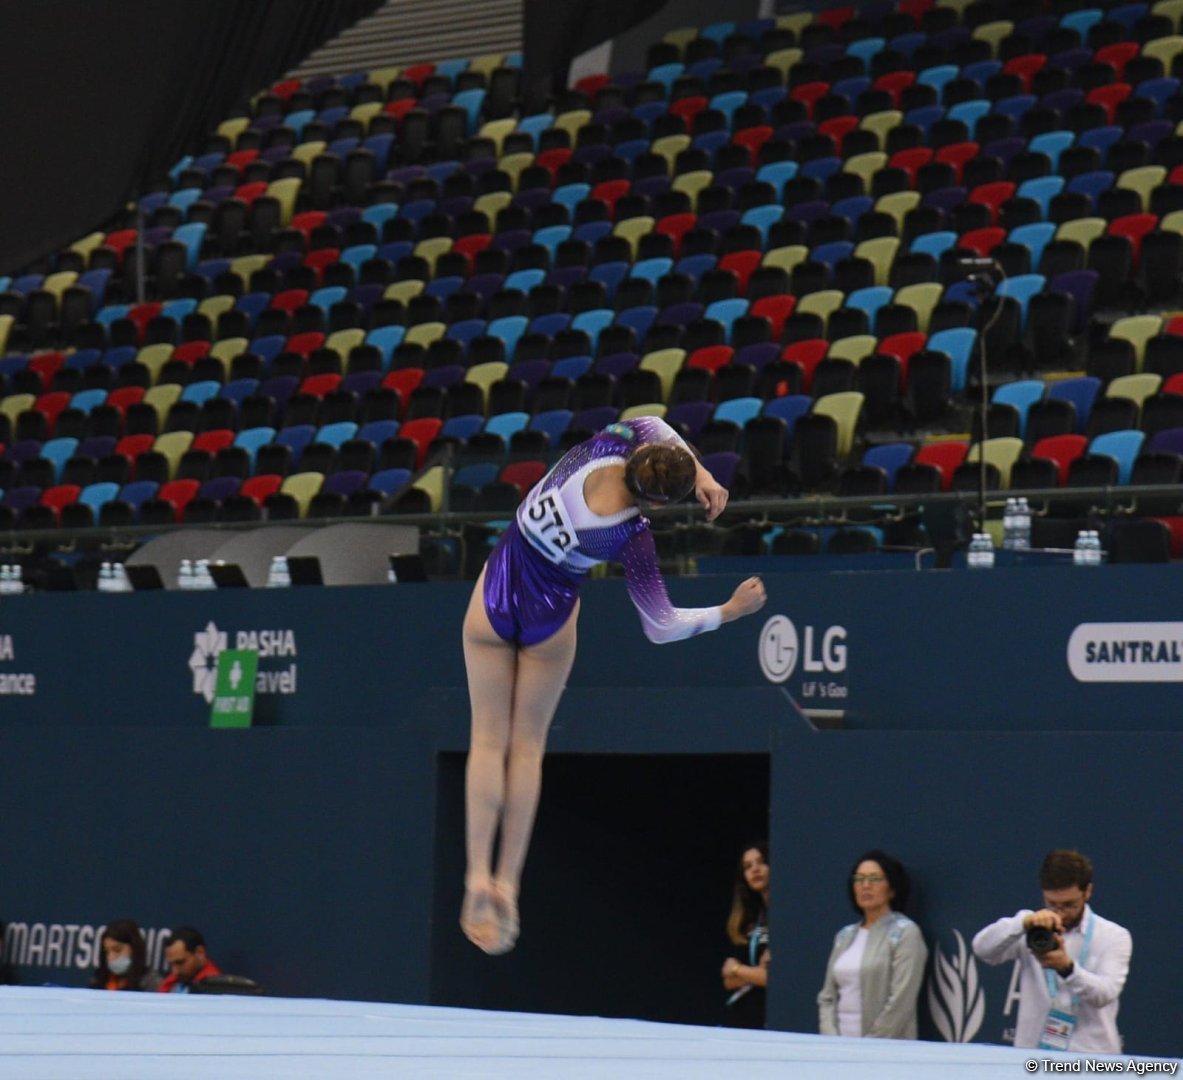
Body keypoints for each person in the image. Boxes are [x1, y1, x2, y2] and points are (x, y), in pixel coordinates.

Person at [460, 416, 767, 955]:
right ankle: (507, 881)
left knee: (487, 740)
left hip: (496, 595)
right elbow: (661, 626)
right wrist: (730, 610)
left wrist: (697, 469)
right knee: (526, 749)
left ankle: (475, 877)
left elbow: (654, 422)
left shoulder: (599, 447)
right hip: (550, 619)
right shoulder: (632, 535)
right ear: (662, 503)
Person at [972, 849, 1132, 1053]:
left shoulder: (1114, 936)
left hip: (1092, 1058)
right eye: (1052, 904)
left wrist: (1067, 969)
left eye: (1069, 905)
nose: (1060, 913)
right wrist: (1023, 923)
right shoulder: (1030, 927)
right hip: (1032, 1057)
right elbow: (982, 949)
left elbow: (1105, 994)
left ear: (1087, 892)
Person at [817, 850, 928, 1039]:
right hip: (838, 1048)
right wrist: (831, 1040)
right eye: (859, 879)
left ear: (892, 889)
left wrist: (870, 1045)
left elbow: (902, 1001)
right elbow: (827, 997)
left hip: (884, 1050)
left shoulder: (905, 933)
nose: (865, 885)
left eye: (874, 879)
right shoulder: (844, 936)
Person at [721, 841, 770, 1029]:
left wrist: (738, 970)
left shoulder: (783, 917)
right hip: (742, 1018)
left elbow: (771, 978)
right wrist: (754, 973)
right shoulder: (750, 918)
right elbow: (728, 980)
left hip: (769, 1018)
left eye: (760, 862)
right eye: (748, 867)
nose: (755, 870)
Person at [89, 919, 161, 992]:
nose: (111, 958)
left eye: (117, 950)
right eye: (107, 952)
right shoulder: (98, 980)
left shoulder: (150, 982)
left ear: (134, 949)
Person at [158, 926, 222, 993]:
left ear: (200, 952)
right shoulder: (169, 984)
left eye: (180, 963)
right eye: (171, 964)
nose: (175, 971)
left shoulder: (214, 989)